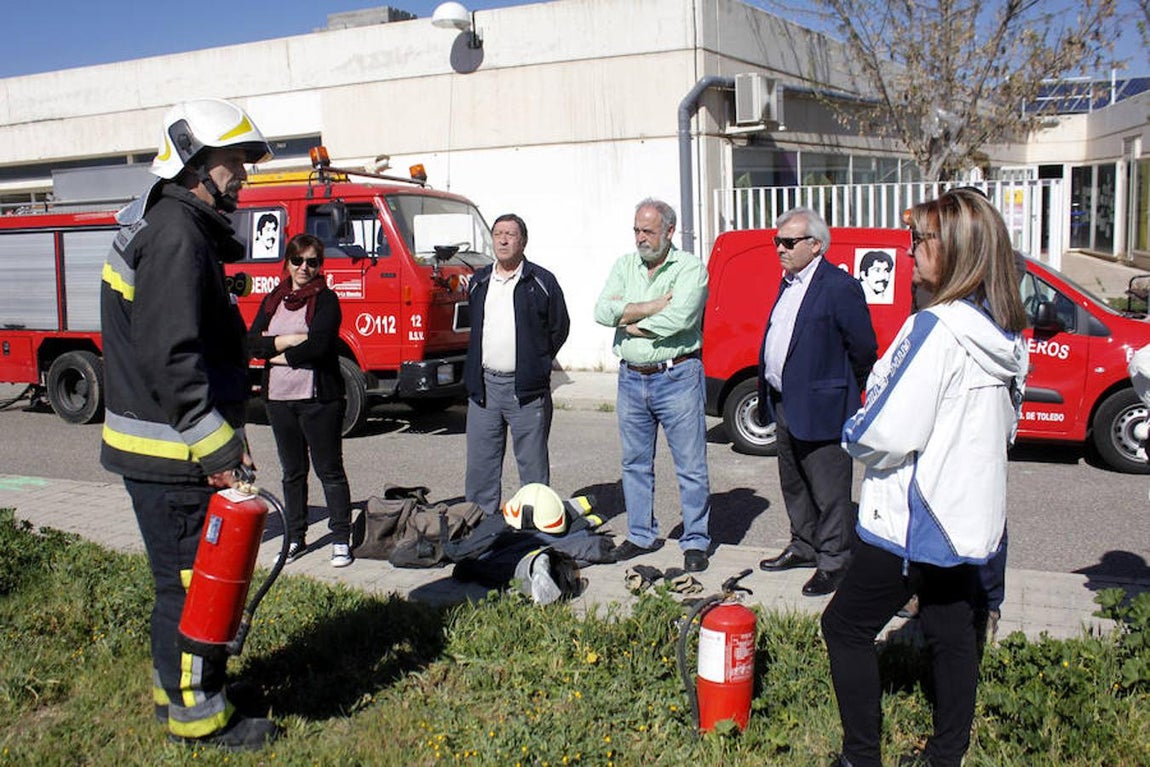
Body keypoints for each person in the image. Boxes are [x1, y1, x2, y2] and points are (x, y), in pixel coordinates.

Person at [823, 189, 1029, 767]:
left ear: (957, 248)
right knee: (951, 630)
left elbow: (887, 429)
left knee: (844, 627)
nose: (909, 249)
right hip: (967, 517)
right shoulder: (1004, 331)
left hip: (912, 521)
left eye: (919, 239)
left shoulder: (935, 328)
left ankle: (859, 757)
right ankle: (947, 754)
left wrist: (852, 430)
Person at [100, 98, 280, 750]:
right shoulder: (177, 235)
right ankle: (199, 719)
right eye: (235, 162)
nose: (244, 175)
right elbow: (172, 360)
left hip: (165, 450)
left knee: (174, 585)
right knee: (192, 588)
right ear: (197, 164)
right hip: (173, 456)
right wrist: (219, 450)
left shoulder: (168, 223)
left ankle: (172, 696)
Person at [757, 206, 878, 597]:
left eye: (788, 242)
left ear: (815, 245)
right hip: (785, 402)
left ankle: (834, 561)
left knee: (829, 491)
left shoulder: (838, 286)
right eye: (777, 241)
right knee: (794, 483)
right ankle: (804, 545)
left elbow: (863, 348)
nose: (780, 248)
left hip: (824, 407)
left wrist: (840, 391)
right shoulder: (788, 283)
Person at [593, 198, 711, 573]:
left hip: (677, 376)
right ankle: (641, 535)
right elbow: (602, 311)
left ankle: (695, 540)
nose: (640, 238)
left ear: (669, 231)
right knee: (635, 463)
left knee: (690, 466)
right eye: (636, 230)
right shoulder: (624, 265)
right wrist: (652, 305)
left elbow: (682, 317)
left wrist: (630, 320)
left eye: (648, 231)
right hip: (631, 377)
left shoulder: (690, 268)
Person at [248, 233, 353, 567]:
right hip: (279, 400)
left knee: (329, 471)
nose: (304, 268)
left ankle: (341, 538)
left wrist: (276, 352)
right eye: (298, 260)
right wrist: (292, 339)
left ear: (320, 265)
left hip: (319, 400)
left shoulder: (327, 299)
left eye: (312, 262)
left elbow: (320, 346)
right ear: (288, 262)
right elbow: (252, 343)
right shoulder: (273, 299)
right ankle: (295, 537)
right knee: (292, 472)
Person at [463, 214, 570, 515]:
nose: (503, 240)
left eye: (510, 234)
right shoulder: (479, 281)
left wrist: (536, 362)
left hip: (525, 390)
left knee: (533, 467)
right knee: (481, 467)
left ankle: (534, 523)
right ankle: (479, 523)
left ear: (523, 241)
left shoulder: (542, 281)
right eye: (498, 233)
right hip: (485, 388)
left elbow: (559, 327)